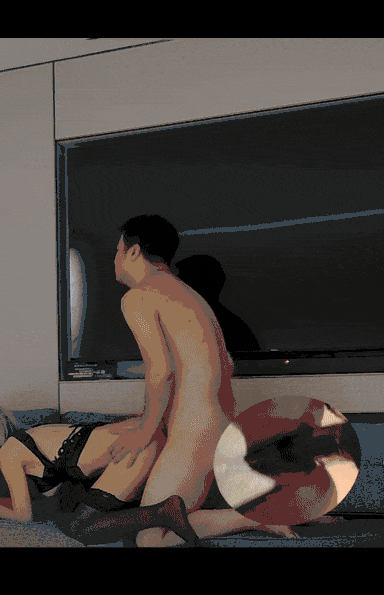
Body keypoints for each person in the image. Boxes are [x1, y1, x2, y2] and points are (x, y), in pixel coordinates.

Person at [107, 215, 298, 546]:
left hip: (195, 430)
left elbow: (160, 370)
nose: (114, 259)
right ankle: (263, 512)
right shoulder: (190, 296)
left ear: (134, 251)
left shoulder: (139, 296)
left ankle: (256, 517)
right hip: (222, 423)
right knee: (164, 528)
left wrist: (145, 431)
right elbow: (220, 363)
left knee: (150, 539)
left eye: (117, 250)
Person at [0, 407, 199, 546]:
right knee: (79, 522)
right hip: (140, 437)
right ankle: (166, 513)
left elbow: (23, 515)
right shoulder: (24, 448)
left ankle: (164, 512)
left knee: (82, 528)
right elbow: (40, 506)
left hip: (135, 443)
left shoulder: (9, 453)